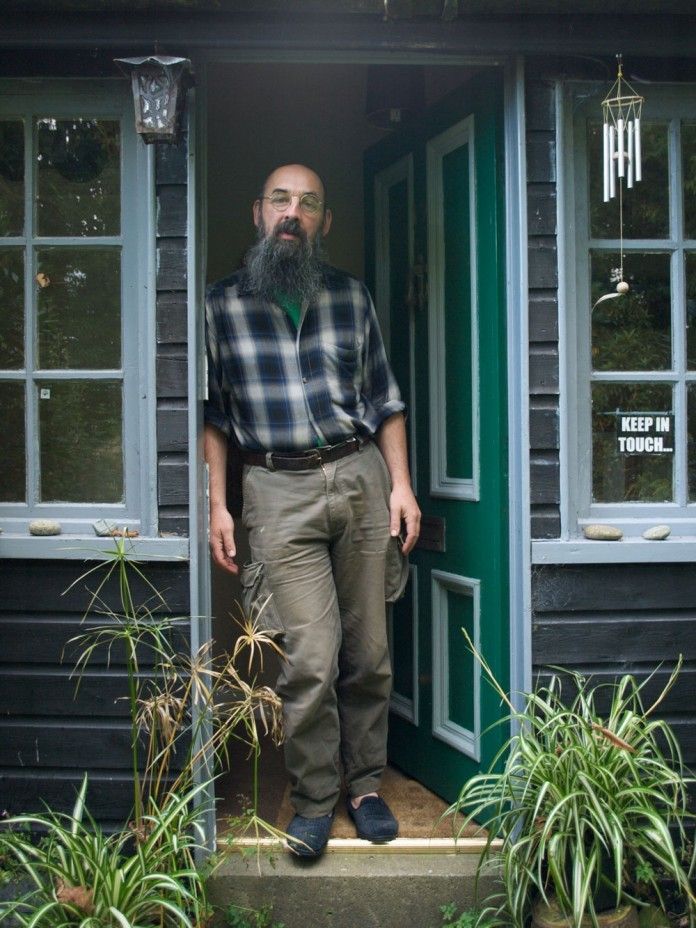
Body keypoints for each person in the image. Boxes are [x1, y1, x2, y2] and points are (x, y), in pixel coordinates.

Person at [204, 163, 420, 858]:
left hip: (358, 477)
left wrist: (401, 485)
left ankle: (364, 787)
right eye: (280, 199)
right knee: (311, 660)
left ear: (324, 222)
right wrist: (219, 504)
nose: (292, 212)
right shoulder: (221, 305)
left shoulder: (351, 297)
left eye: (308, 203)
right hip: (274, 487)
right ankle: (316, 798)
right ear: (257, 213)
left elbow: (384, 398)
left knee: (372, 653)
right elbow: (212, 418)